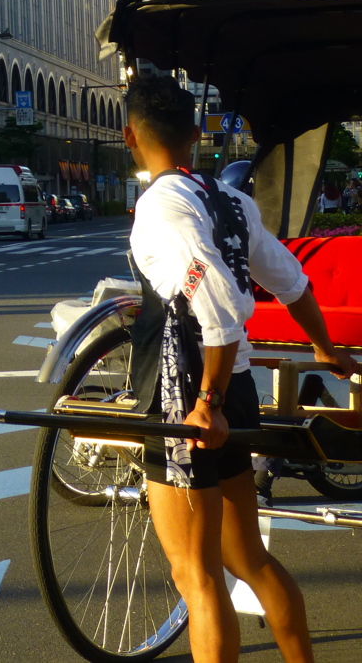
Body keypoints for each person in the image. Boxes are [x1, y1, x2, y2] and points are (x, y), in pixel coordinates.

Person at [123, 75, 358, 663]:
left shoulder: (160, 205)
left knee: (196, 578)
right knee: (248, 557)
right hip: (237, 384)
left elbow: (221, 305)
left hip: (187, 396)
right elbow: (291, 280)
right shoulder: (230, 200)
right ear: (198, 134)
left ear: (130, 137)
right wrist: (325, 347)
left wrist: (207, 401)